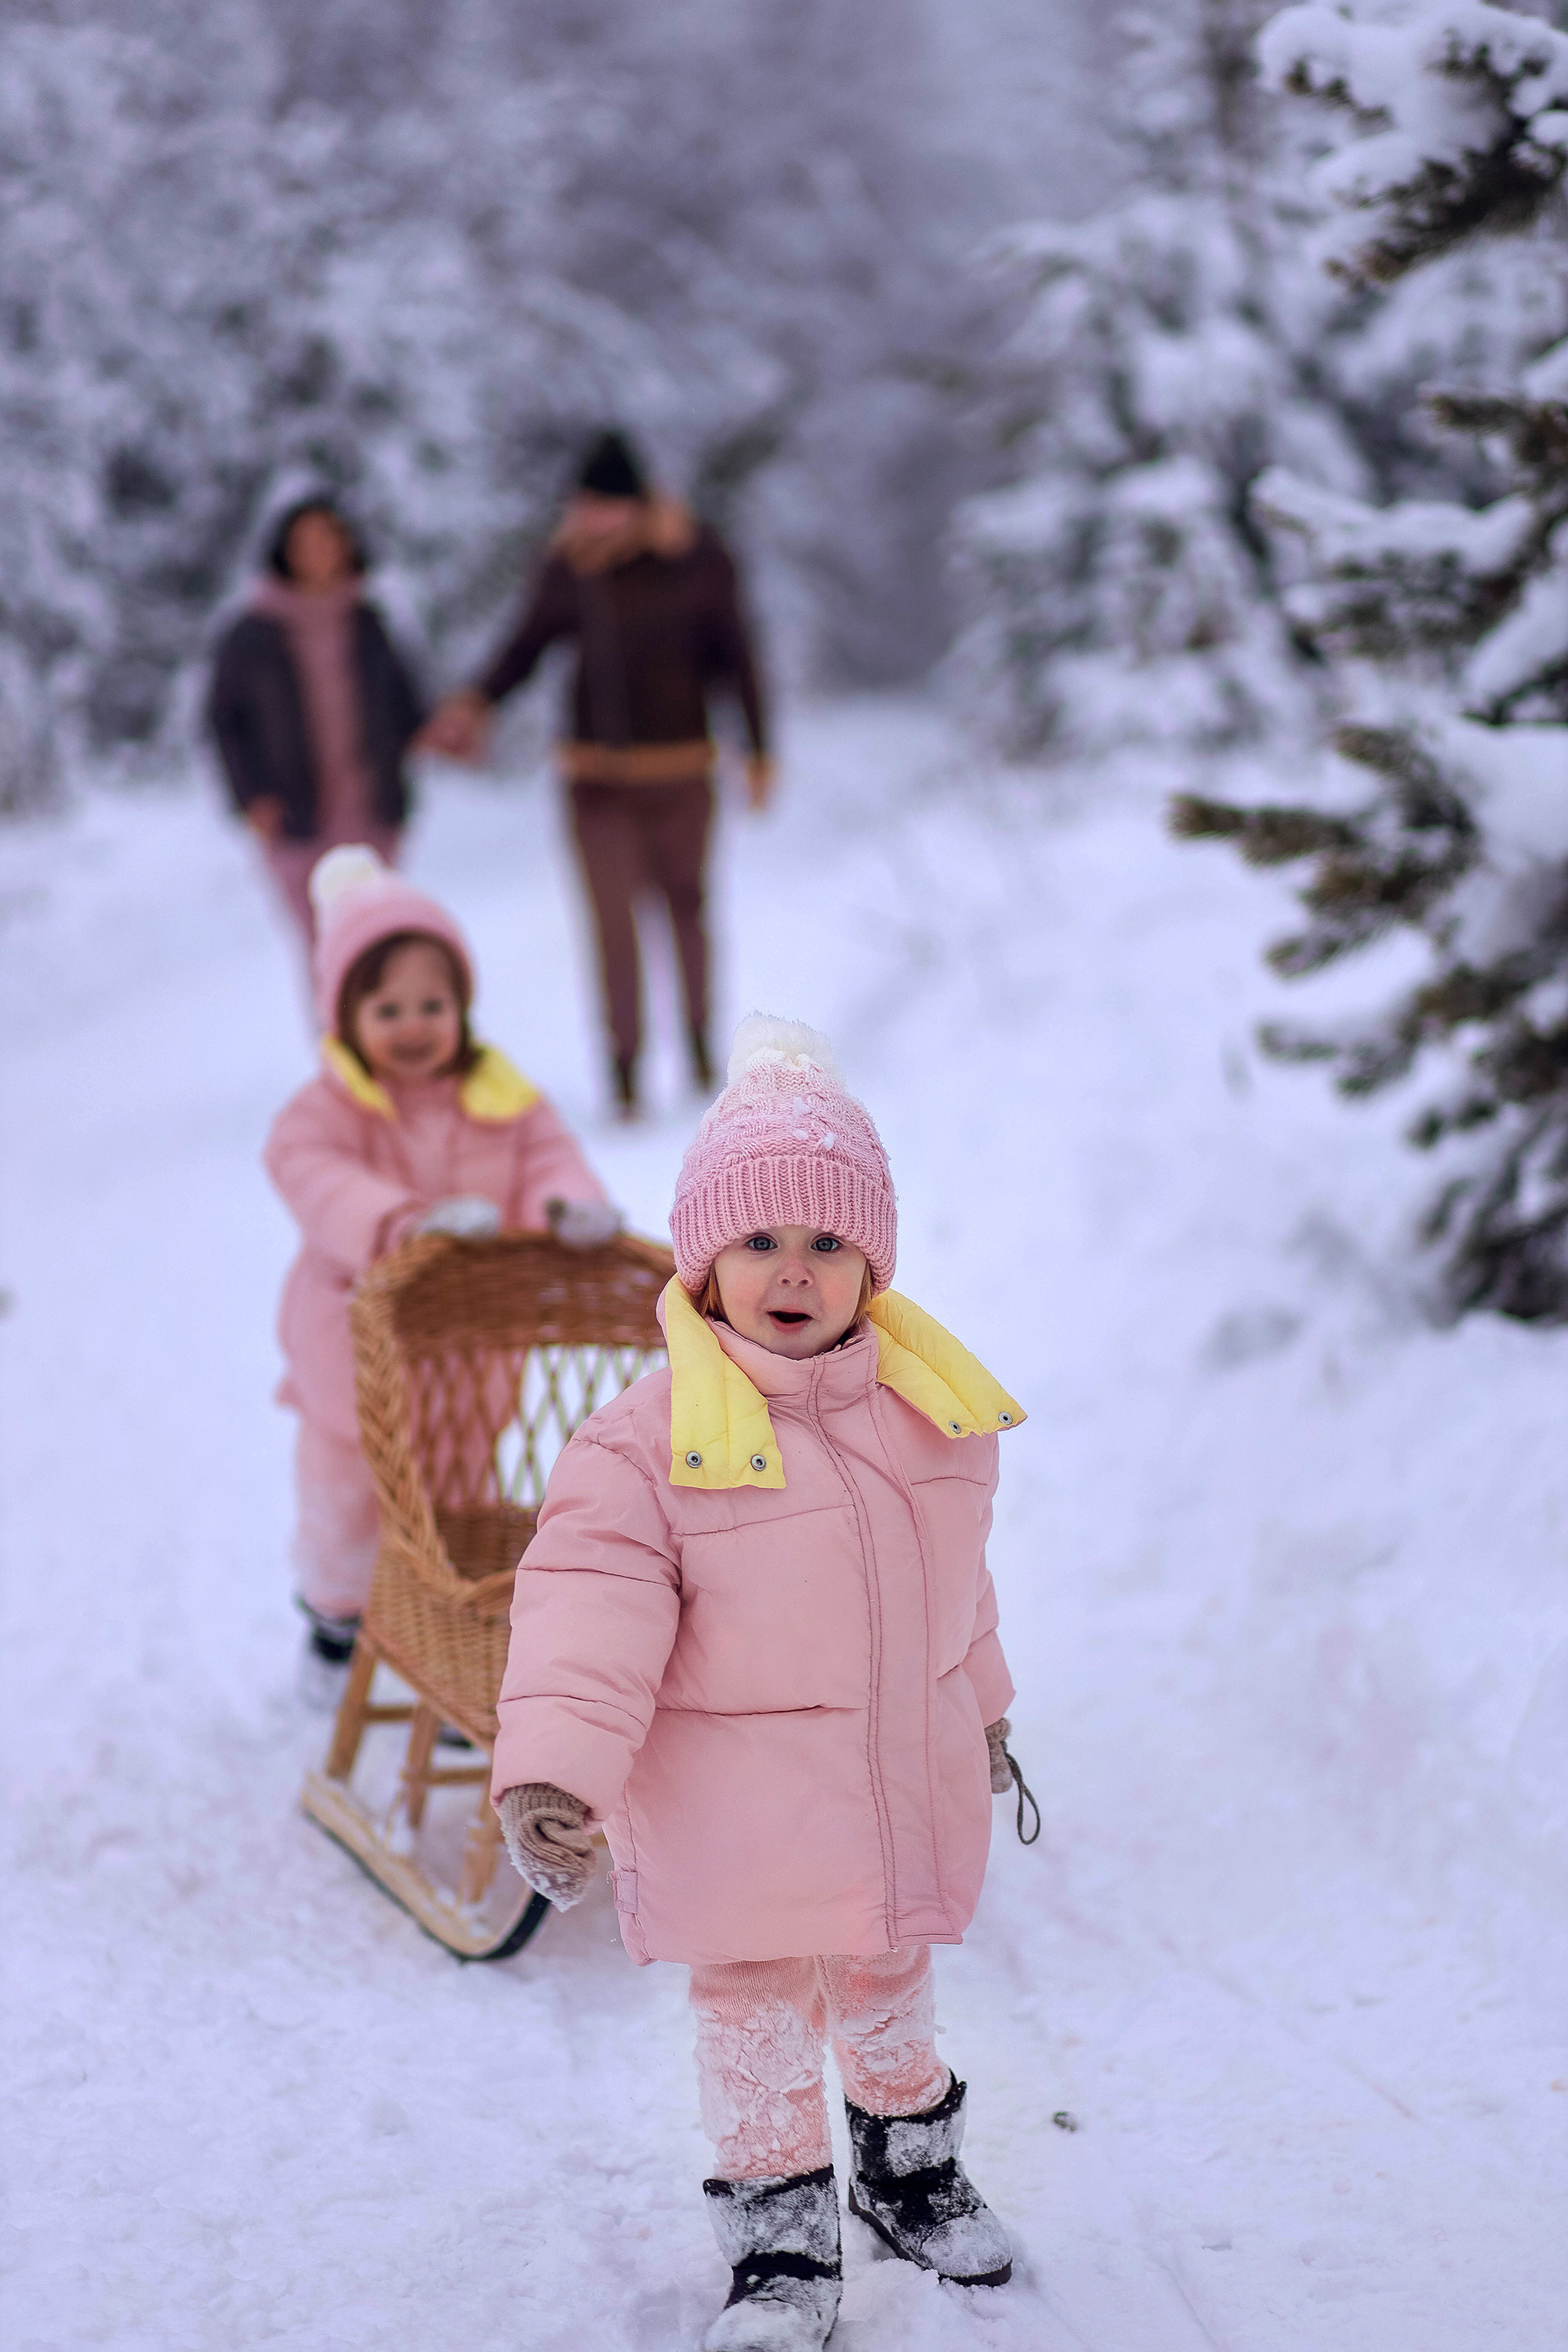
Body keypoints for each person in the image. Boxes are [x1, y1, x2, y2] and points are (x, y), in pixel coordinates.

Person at [488, 1014, 1028, 2352]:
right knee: (757, 2017)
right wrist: (556, 1773)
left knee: (889, 1977)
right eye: (761, 1239)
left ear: (873, 1265)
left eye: (830, 1242)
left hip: (886, 1789)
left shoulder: (929, 1419)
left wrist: (986, 1711)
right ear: (706, 1260)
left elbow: (959, 1595)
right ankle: (781, 2243)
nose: (795, 1269)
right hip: (736, 1817)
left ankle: (909, 2173)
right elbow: (586, 1617)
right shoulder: (646, 1447)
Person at [263, 845, 619, 1700]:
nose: (413, 1025)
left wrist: (569, 1204)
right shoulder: (330, 1108)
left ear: (463, 1007)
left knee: (457, 1498)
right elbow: (307, 1169)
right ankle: (335, 1623)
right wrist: (399, 1223)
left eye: (434, 1004)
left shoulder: (499, 1097)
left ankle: (457, 1648)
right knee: (348, 1492)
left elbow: (546, 1156)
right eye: (386, 1008)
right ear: (343, 1015)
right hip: (357, 1351)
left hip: (465, 1353)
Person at [419, 430, 772, 1120]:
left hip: (680, 771)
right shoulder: (571, 568)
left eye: (604, 506)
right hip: (595, 779)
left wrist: (758, 748)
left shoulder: (696, 560)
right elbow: (525, 645)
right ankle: (624, 1069)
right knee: (612, 923)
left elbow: (738, 656)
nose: (592, 520)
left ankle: (700, 1045)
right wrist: (475, 704)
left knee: (687, 911)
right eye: (583, 506)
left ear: (637, 506)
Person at [209, 495, 425, 952]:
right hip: (296, 815)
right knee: (326, 945)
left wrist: (444, 732)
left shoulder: (369, 622)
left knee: (378, 941)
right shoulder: (253, 633)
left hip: (370, 808)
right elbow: (224, 720)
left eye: (329, 539)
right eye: (305, 544)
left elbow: (405, 705)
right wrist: (252, 796)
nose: (319, 553)